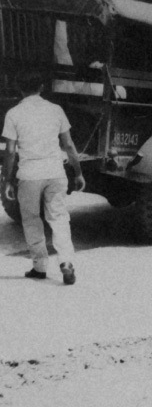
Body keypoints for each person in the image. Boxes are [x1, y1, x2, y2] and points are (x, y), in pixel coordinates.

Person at [1, 71, 85, 285]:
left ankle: (39, 267)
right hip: (55, 172)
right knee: (58, 217)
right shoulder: (55, 110)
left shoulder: (13, 113)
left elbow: (10, 151)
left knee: (30, 219)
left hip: (29, 175)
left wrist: (7, 180)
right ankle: (66, 262)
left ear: (20, 89)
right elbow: (68, 145)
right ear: (41, 87)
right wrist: (78, 172)